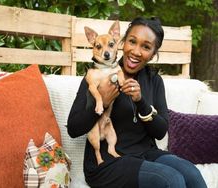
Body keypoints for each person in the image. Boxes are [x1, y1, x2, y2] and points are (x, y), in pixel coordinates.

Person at [67, 17, 207, 188]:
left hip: (146, 153)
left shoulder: (153, 80)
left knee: (191, 173)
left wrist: (141, 102)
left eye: (146, 47)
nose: (136, 51)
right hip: (109, 161)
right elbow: (73, 128)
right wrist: (103, 101)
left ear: (153, 53)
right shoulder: (98, 75)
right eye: (132, 42)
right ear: (123, 42)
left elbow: (161, 131)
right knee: (170, 179)